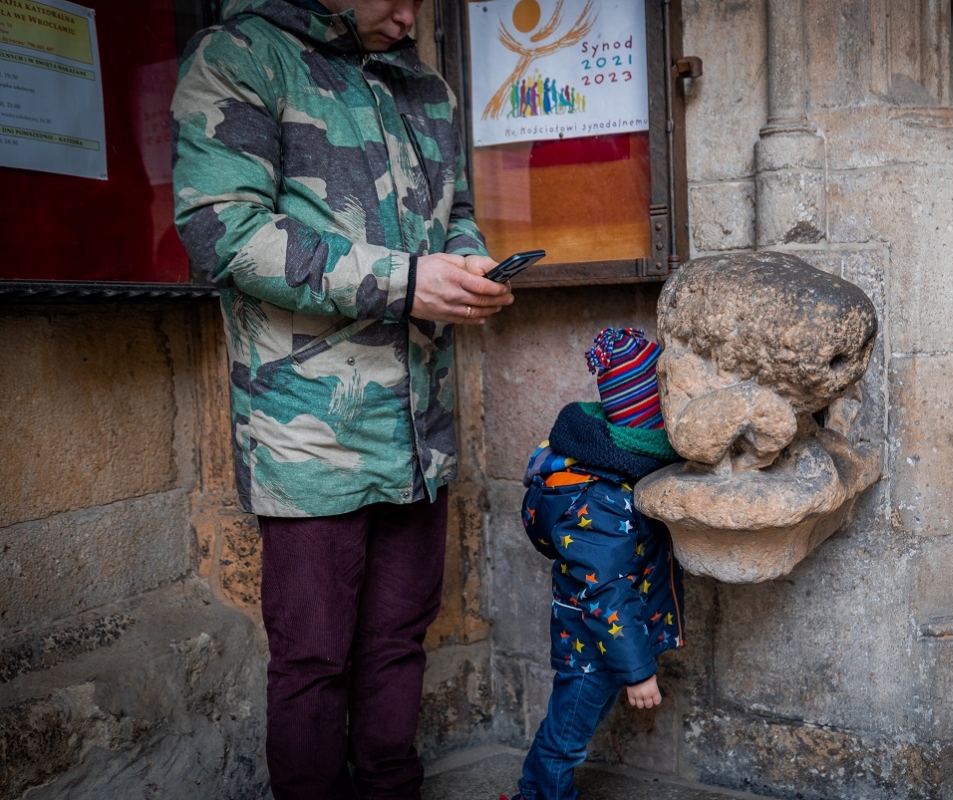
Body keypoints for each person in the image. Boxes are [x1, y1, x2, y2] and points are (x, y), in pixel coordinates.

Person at [171, 1, 512, 797]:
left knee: (399, 640)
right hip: (310, 433)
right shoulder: (241, 54)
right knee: (313, 658)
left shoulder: (424, 85)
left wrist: (469, 264)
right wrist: (405, 281)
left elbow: (455, 213)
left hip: (420, 426)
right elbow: (224, 232)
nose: (410, 16)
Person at [504, 328, 685, 800]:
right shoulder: (602, 500)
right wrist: (638, 670)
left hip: (598, 643)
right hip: (593, 647)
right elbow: (605, 591)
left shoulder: (607, 477)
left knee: (573, 728)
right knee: (565, 741)